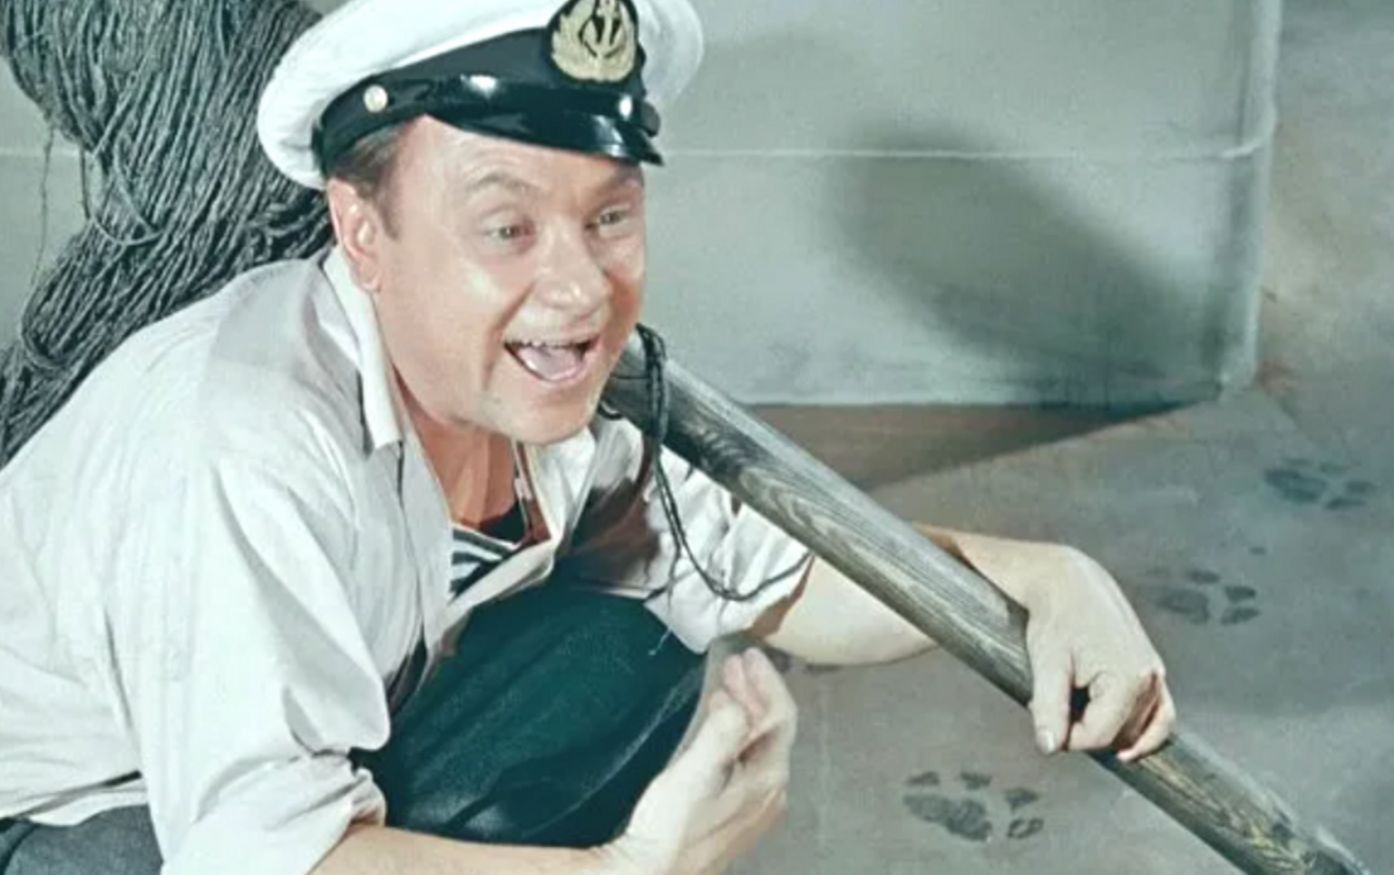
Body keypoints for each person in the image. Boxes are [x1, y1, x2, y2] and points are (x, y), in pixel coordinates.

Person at [0, 0, 1175, 872]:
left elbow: (777, 575)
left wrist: (1038, 577)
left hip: (279, 770)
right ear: (361, 229)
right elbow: (264, 858)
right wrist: (623, 872)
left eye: (608, 214)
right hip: (84, 819)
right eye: (505, 227)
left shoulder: (543, 389)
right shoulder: (243, 439)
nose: (577, 292)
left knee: (627, 646)